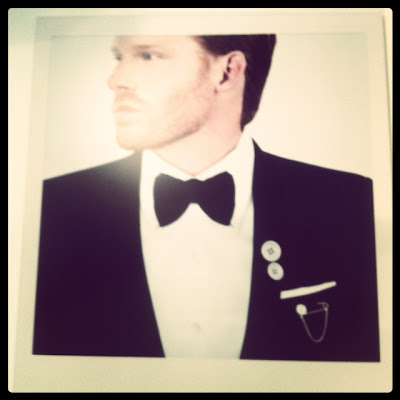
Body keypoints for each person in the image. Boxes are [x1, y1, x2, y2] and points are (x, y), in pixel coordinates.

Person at [33, 34, 380, 361]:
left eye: (148, 55)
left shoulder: (351, 203)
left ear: (227, 71)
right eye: (119, 57)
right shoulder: (48, 210)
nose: (115, 79)